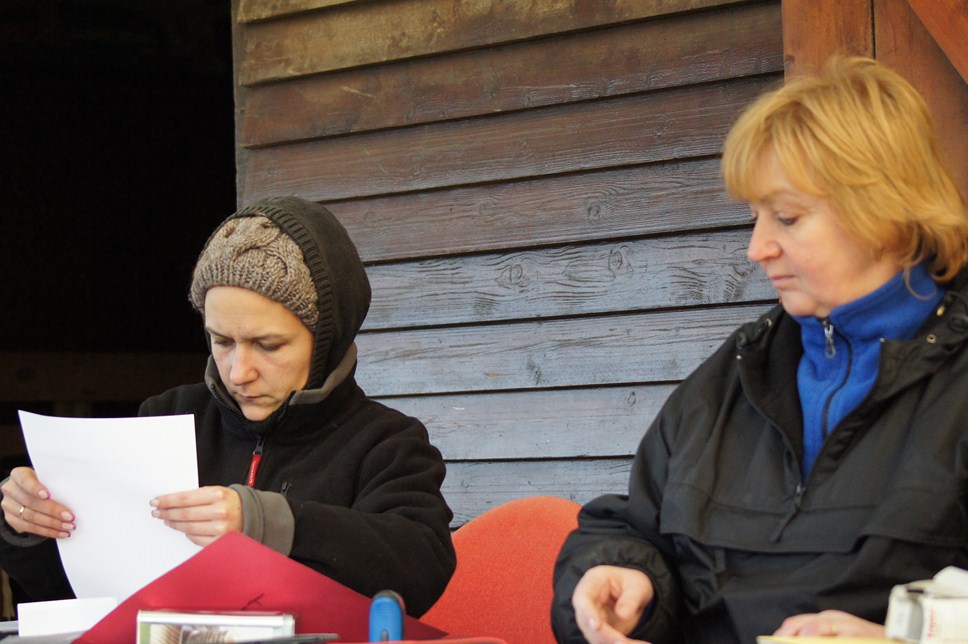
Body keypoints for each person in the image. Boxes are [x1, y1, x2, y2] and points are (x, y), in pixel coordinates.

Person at [551, 56, 968, 643]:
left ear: (888, 212)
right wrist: (621, 575)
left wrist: (903, 640)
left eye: (788, 217)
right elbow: (633, 525)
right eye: (754, 217)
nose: (757, 248)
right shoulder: (737, 373)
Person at [0, 196, 457, 616]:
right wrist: (30, 526)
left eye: (269, 345)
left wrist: (269, 522)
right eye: (222, 341)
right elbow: (71, 590)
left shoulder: (386, 443)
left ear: (326, 341)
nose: (239, 372)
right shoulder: (167, 417)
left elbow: (421, 567)